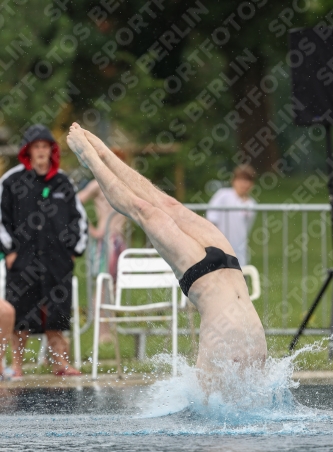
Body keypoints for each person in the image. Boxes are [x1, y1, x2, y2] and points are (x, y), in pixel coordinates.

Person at [67, 123, 267, 383]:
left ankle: (97, 157)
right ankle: (95, 157)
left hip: (229, 336)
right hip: (233, 329)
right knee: (151, 208)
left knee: (156, 207)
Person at [0, 124, 88, 377]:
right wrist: (9, 251)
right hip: (22, 259)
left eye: (45, 147)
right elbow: (0, 217)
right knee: (19, 315)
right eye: (36, 147)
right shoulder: (12, 181)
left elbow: (78, 219)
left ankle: (59, 363)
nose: (41, 151)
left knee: (57, 313)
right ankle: (16, 366)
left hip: (57, 260)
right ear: (28, 151)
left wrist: (73, 250)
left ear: (52, 151)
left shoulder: (63, 182)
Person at [77, 148, 127, 283]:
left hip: (120, 239)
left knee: (119, 283)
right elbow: (75, 202)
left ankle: (112, 305)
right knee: (103, 282)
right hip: (104, 239)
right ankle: (98, 305)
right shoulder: (98, 184)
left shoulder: (126, 186)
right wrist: (89, 228)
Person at [206, 165, 257, 266]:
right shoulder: (223, 195)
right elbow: (211, 219)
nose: (244, 184)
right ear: (234, 181)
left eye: (247, 181)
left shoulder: (252, 204)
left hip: (239, 251)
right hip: (218, 249)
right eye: (241, 180)